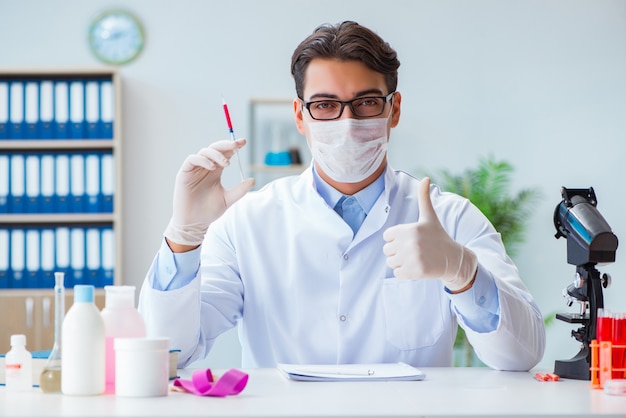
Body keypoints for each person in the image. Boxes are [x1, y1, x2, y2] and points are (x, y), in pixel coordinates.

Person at [138, 21, 545, 371]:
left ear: (394, 109)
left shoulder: (450, 219)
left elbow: (519, 356)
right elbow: (169, 355)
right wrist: (184, 238)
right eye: (326, 105)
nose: (347, 122)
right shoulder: (248, 223)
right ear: (300, 116)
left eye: (367, 102)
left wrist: (462, 271)